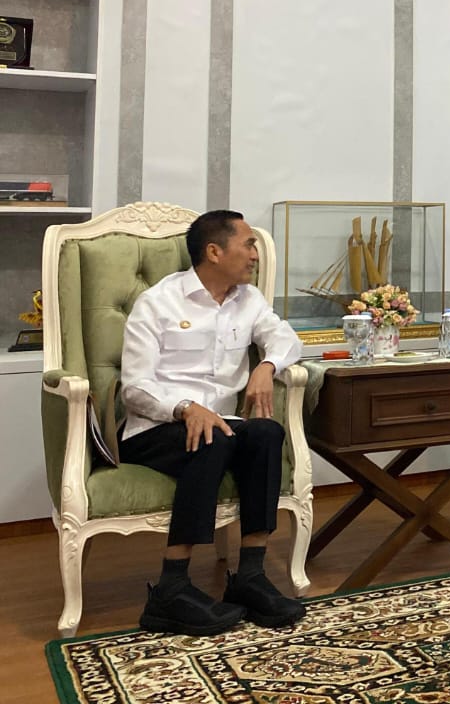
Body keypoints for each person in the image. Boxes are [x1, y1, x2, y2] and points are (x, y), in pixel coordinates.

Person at [120, 210, 305, 635]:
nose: (255, 255)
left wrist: (267, 366)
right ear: (214, 251)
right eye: (248, 244)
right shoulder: (158, 302)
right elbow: (135, 387)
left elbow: (285, 337)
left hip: (222, 424)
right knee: (212, 437)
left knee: (266, 432)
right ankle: (170, 588)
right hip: (153, 428)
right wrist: (186, 407)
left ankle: (250, 577)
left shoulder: (248, 299)